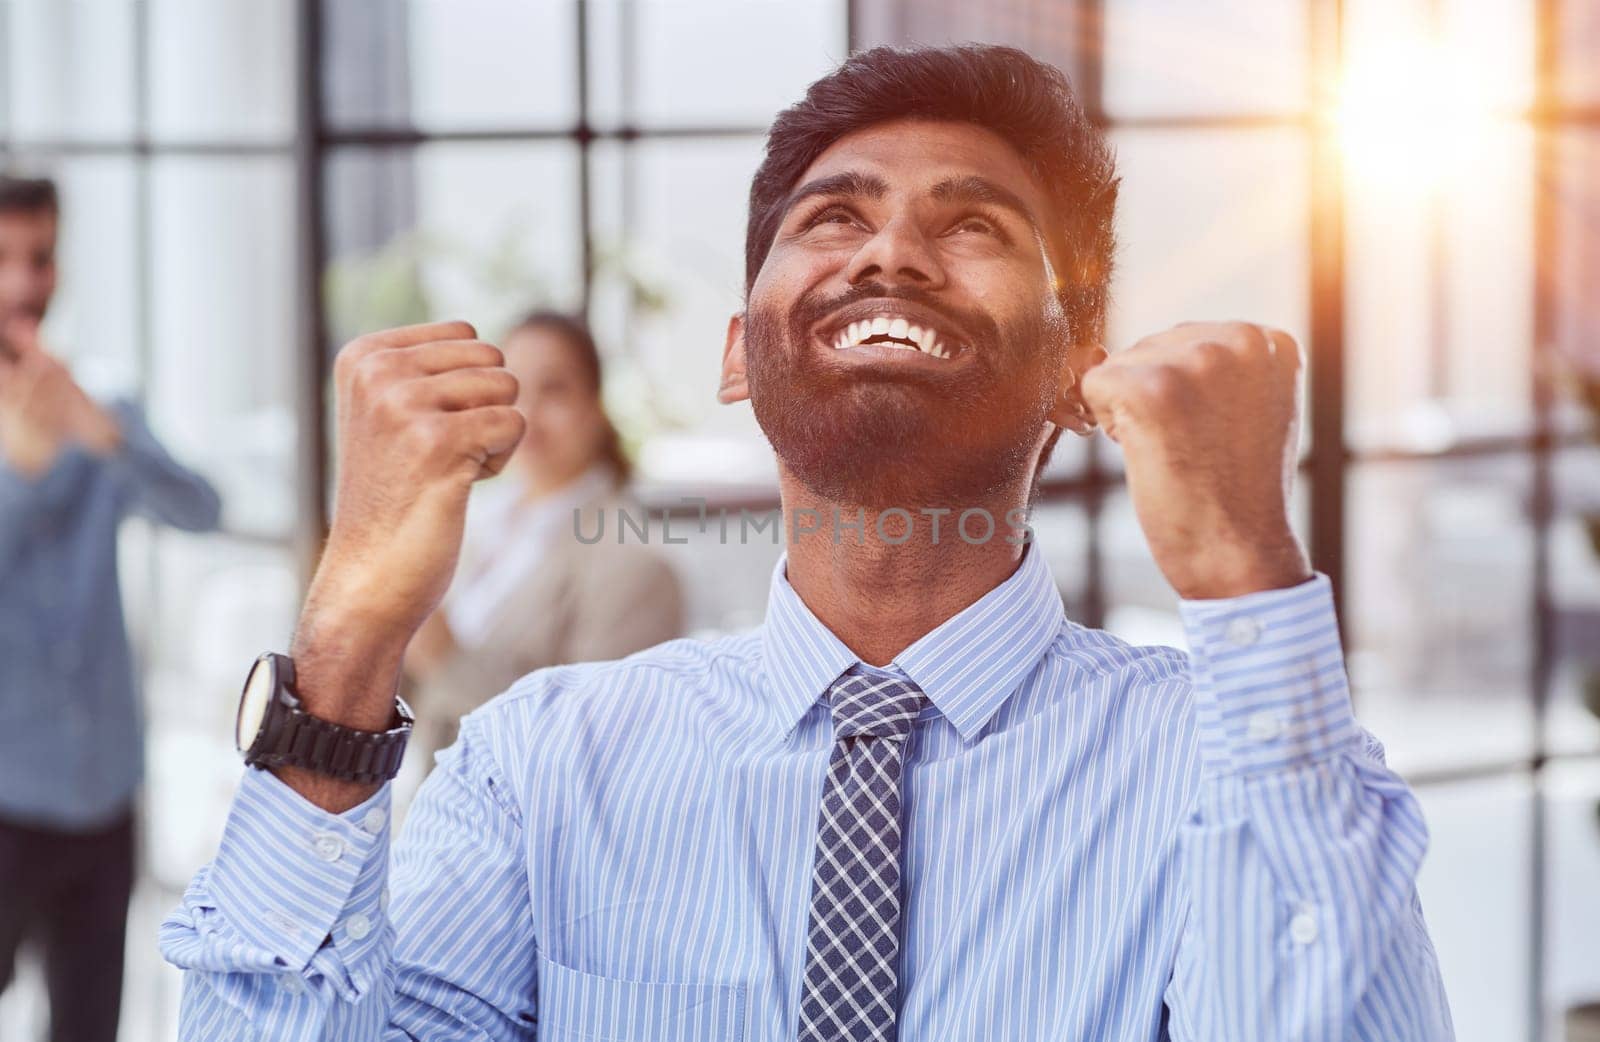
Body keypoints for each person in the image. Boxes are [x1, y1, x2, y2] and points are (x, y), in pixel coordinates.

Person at [163, 45, 1454, 1040]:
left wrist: (1248, 584)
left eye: (975, 225)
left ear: (1076, 370)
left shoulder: (1220, 762)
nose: (893, 249)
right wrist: (343, 651)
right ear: (740, 353)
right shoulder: (544, 770)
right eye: (834, 218)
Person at [0, 175, 222, 1042]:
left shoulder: (103, 410)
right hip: (5, 797)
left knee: (89, 1028)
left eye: (41, 257)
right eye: (4, 259)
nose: (24, 282)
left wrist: (109, 439)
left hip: (105, 796)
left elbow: (203, 510)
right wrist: (20, 477)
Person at [402, 310, 684, 766]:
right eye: (512, 389)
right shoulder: (479, 524)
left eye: (554, 389)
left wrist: (443, 654)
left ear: (595, 405)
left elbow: (597, 742)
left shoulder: (634, 563)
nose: (528, 413)